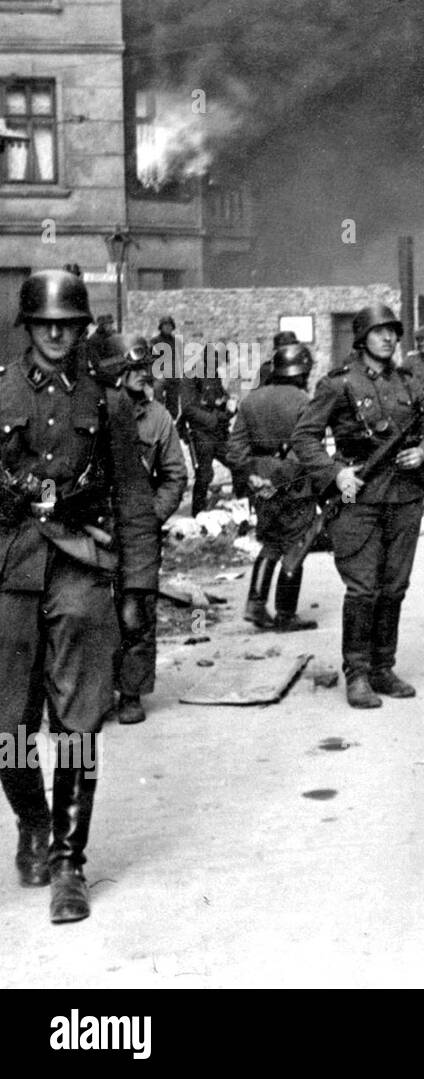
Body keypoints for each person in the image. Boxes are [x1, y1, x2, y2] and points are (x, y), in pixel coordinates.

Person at [0, 269, 156, 922]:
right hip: (10, 567)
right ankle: (32, 819)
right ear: (29, 328)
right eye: (46, 324)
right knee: (6, 726)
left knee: (78, 723)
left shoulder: (109, 402)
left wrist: (138, 586)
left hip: (81, 568)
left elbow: (134, 501)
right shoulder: (0, 392)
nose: (58, 334)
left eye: (69, 324)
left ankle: (70, 859)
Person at [292, 304, 424, 708]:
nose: (388, 338)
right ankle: (356, 672)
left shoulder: (407, 382)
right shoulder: (338, 384)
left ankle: (382, 667)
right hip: (359, 497)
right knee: (363, 588)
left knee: (394, 587)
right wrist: (335, 473)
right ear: (362, 338)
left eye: (393, 331)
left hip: (405, 495)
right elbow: (304, 438)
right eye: (379, 332)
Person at [109, 336, 187, 726]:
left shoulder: (158, 418)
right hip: (95, 525)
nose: (145, 376)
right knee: (93, 611)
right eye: (137, 369)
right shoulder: (97, 409)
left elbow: (175, 475)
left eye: (148, 369)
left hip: (139, 530)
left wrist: (152, 515)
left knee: (135, 612)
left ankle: (131, 692)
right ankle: (92, 693)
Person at [228, 342, 320, 633]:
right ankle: (285, 613)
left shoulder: (250, 400)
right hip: (295, 483)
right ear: (301, 372)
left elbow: (235, 450)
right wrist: (280, 479)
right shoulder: (305, 402)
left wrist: (252, 477)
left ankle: (255, 604)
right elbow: (306, 449)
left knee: (270, 543)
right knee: (297, 543)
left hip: (259, 482)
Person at [179, 338, 232, 515]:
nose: (217, 364)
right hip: (201, 433)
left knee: (238, 462)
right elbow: (188, 408)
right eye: (214, 360)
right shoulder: (191, 376)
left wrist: (229, 406)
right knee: (204, 475)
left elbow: (221, 400)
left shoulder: (214, 376)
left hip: (219, 434)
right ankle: (198, 513)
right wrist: (213, 419)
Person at [150, 316, 183, 422]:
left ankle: (171, 421)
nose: (167, 328)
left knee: (173, 404)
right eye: (165, 326)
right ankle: (158, 419)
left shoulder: (176, 341)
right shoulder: (155, 341)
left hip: (173, 374)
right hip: (159, 374)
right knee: (158, 391)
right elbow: (150, 360)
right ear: (161, 327)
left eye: (169, 326)